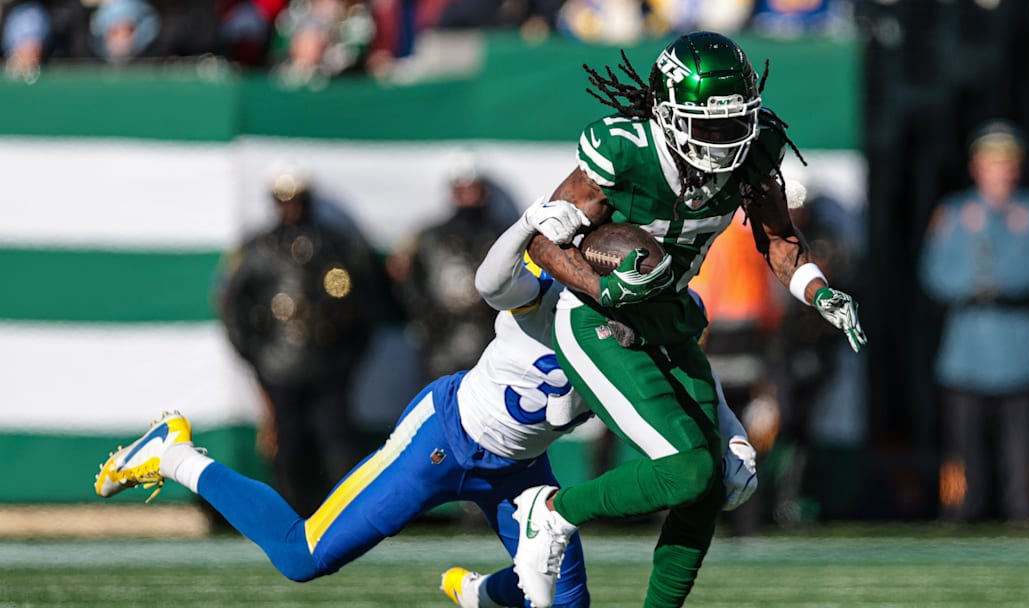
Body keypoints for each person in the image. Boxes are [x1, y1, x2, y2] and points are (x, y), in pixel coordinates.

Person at [92, 196, 759, 608]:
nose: (645, 298)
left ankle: (481, 593)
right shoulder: (549, 297)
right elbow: (491, 280)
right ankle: (176, 455)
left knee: (564, 604)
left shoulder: (656, 321)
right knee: (302, 557)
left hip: (522, 470)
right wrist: (530, 223)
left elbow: (694, 376)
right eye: (634, 284)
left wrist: (729, 433)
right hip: (445, 438)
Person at [509, 31, 867, 608]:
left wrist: (818, 291)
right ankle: (551, 511)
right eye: (709, 125)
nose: (725, 140)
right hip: (599, 317)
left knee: (716, 482)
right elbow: (544, 242)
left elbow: (779, 238)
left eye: (735, 122)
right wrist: (603, 285)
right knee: (688, 470)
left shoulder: (755, 147)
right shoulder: (624, 150)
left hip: (671, 316)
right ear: (668, 112)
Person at [919, 119, 1029, 523]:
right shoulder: (954, 214)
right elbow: (935, 273)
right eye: (993, 163)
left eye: (1008, 162)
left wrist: (1000, 283)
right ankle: (958, 515)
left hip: (1021, 354)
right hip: (966, 355)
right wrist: (975, 285)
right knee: (963, 455)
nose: (1001, 171)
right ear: (976, 167)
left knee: (1022, 455)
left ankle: (1026, 517)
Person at [216, 167, 379, 517]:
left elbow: (364, 304)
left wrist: (349, 358)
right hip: (278, 364)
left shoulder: (337, 245)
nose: (291, 209)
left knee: (338, 440)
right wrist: (255, 356)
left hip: (329, 362)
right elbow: (234, 306)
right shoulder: (257, 248)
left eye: (298, 201)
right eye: (284, 202)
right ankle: (291, 515)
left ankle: (350, 515)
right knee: (287, 443)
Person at [388, 152, 516, 385]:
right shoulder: (428, 237)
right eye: (461, 188)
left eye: (473, 188)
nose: (468, 194)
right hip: (440, 345)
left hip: (493, 343)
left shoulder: (506, 235)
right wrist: (428, 319)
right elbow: (408, 284)